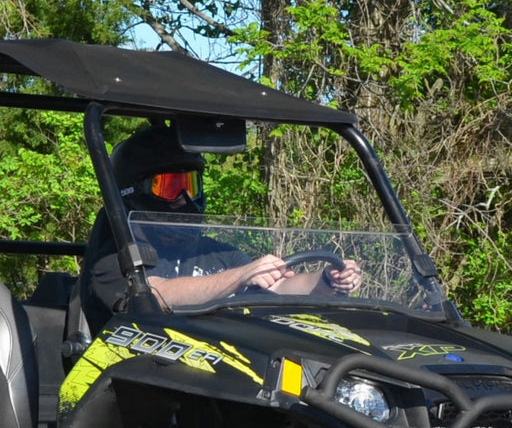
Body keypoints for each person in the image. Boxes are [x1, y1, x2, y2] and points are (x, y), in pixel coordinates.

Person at [82, 123, 361, 334]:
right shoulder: (112, 260)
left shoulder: (214, 255)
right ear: (133, 192)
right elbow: (156, 294)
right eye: (171, 187)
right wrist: (240, 277)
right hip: (133, 386)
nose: (186, 199)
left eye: (191, 185)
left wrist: (326, 281)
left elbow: (277, 286)